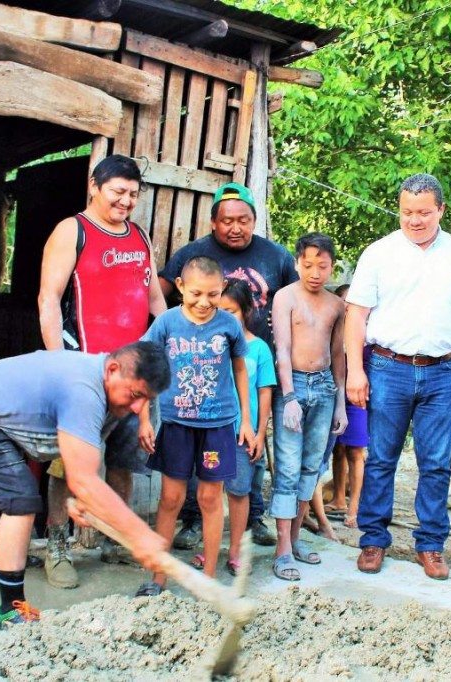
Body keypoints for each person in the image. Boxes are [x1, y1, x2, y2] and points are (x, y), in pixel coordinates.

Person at [0, 342, 171, 629]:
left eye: (145, 400)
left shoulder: (107, 386)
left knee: (10, 484)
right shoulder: (84, 390)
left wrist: (87, 499)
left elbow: (84, 461)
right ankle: (9, 611)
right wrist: (141, 535)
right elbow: (83, 479)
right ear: (113, 369)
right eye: (135, 395)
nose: (137, 407)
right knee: (19, 500)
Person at [346, 173, 451, 580]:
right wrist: (356, 369)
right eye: (407, 212)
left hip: (443, 371)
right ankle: (373, 539)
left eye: (424, 212)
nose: (415, 220)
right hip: (388, 368)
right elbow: (356, 314)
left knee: (436, 462)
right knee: (380, 459)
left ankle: (431, 545)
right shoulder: (379, 254)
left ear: (441, 210)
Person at [36, 154, 166, 589]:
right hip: (84, 372)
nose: (126, 201)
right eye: (118, 192)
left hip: (133, 377)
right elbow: (49, 300)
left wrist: (160, 365)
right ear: (95, 185)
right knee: (65, 467)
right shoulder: (71, 231)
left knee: (124, 462)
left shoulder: (139, 236)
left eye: (133, 194)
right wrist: (58, 364)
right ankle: (57, 546)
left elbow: (155, 304)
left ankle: (112, 540)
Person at [159, 182, 298, 549]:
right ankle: (191, 521)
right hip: (199, 373)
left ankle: (254, 516)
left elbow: (297, 300)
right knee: (195, 454)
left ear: (255, 220)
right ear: (213, 222)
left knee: (250, 444)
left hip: (252, 366)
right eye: (227, 221)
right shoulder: (193, 255)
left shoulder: (277, 257)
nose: (235, 228)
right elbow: (156, 293)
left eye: (244, 220)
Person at [136, 256, 254, 596]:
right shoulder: (166, 323)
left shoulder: (229, 326)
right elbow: (146, 367)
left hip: (217, 428)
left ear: (222, 291)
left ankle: (211, 578)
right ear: (181, 288)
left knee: (210, 498)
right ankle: (157, 577)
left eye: (213, 295)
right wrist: (144, 417)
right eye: (196, 294)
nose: (204, 303)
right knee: (171, 498)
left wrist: (245, 419)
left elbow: (241, 371)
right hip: (176, 426)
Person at [270, 232, 346, 581]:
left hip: (325, 388)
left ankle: (297, 538)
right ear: (298, 262)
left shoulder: (336, 305)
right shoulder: (285, 297)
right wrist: (288, 397)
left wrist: (341, 404)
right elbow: (282, 349)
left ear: (332, 267)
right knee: (287, 466)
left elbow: (339, 356)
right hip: (295, 385)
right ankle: (282, 547)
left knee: (311, 468)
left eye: (323, 266)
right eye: (309, 264)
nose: (315, 272)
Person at [217, 279, 277, 575]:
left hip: (244, 434)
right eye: (219, 311)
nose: (225, 318)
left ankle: (236, 549)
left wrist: (258, 431)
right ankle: (210, 546)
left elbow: (264, 393)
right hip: (212, 434)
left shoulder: (259, 349)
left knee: (239, 492)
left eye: (231, 312)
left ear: (246, 311)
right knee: (211, 490)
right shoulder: (210, 346)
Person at [326, 283, 368, 528]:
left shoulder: (366, 333)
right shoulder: (331, 330)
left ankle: (354, 507)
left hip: (357, 397)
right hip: (333, 396)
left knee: (354, 451)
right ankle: (339, 498)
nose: (348, 307)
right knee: (337, 449)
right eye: (343, 303)